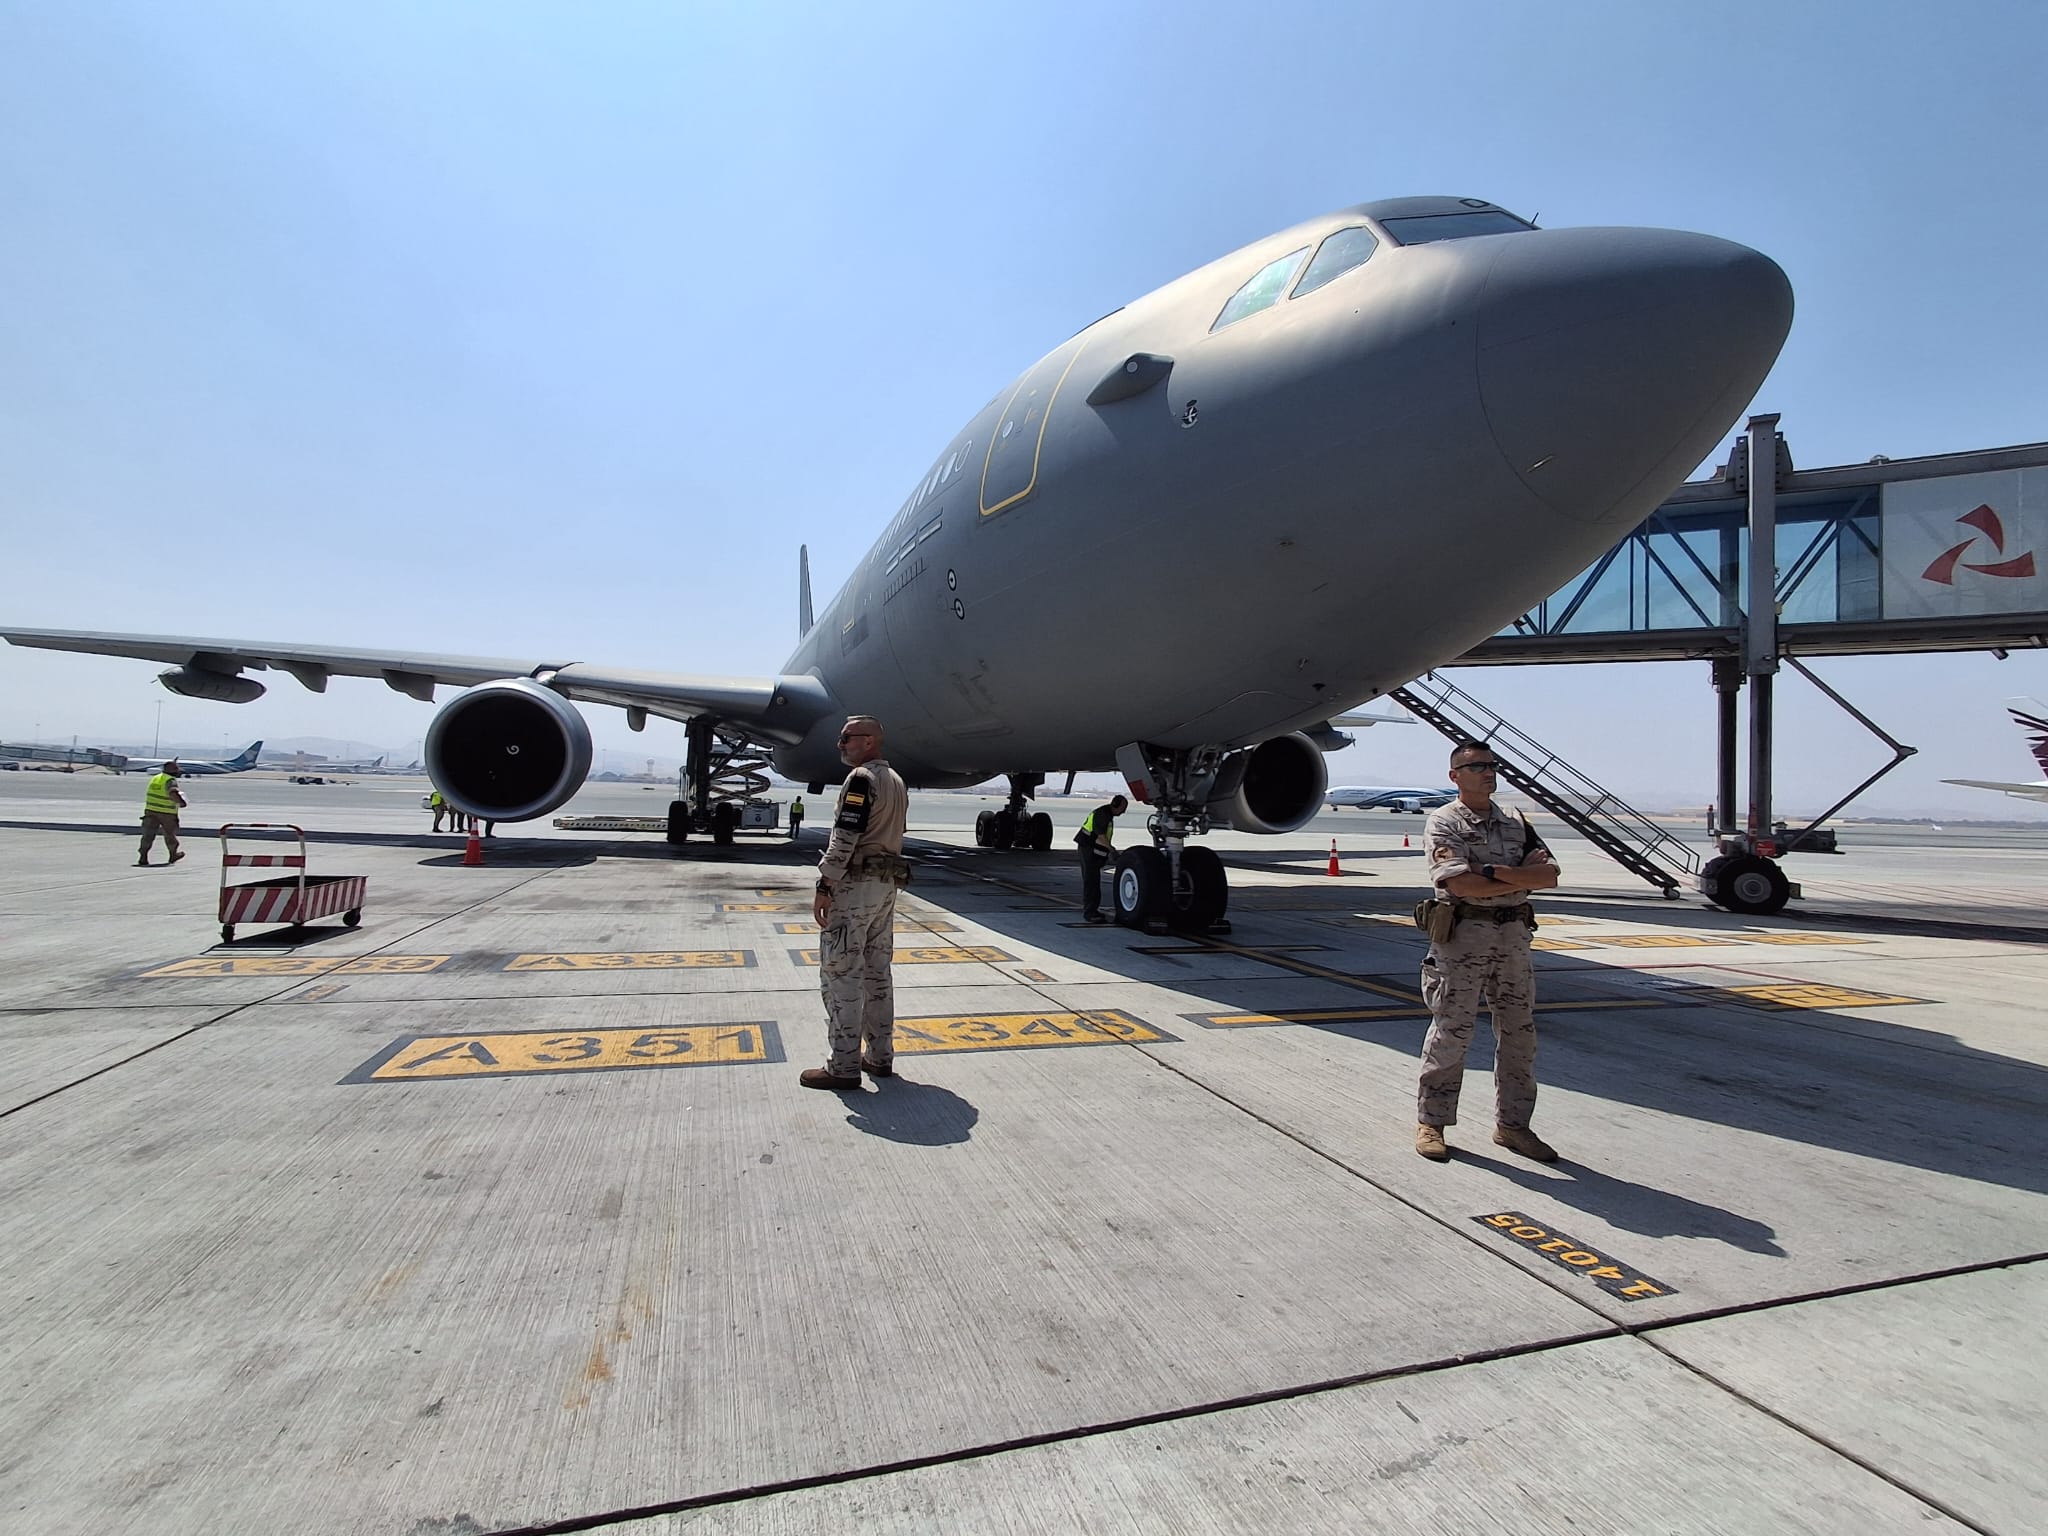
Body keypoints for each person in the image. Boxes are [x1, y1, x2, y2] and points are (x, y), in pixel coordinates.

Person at [1414, 740, 1561, 1164]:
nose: (1487, 772)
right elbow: (1460, 885)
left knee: (1520, 1036)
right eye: (1475, 766)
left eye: (1491, 765)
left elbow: (1549, 875)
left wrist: (1493, 873)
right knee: (1452, 1033)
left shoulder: (1516, 820)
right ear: (1454, 776)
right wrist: (1518, 879)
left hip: (1513, 939)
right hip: (1463, 940)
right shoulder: (1444, 823)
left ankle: (1513, 1126)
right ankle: (1432, 1123)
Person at [801, 716, 909, 1090]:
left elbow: (847, 834)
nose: (840, 745)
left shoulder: (861, 779)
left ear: (869, 741)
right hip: (885, 886)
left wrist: (825, 883)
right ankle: (879, 1057)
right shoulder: (895, 781)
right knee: (877, 974)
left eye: (846, 738)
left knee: (842, 974)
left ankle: (843, 1065)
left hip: (857, 887)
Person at [1075, 794, 1129, 923]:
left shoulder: (1107, 814)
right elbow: (1100, 837)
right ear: (1116, 805)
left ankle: (1093, 910)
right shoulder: (1102, 814)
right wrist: (1112, 850)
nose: (1124, 811)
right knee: (1091, 882)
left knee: (1094, 881)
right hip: (1088, 850)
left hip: (1092, 850)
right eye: (1123, 808)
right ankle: (1090, 913)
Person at [137, 760, 187, 867]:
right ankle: (173, 854)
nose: (178, 771)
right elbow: (172, 793)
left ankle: (143, 856)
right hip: (166, 812)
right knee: (170, 835)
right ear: (171, 770)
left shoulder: (156, 778)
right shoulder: (170, 780)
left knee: (148, 835)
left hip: (151, 811)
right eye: (176, 769)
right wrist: (181, 802)